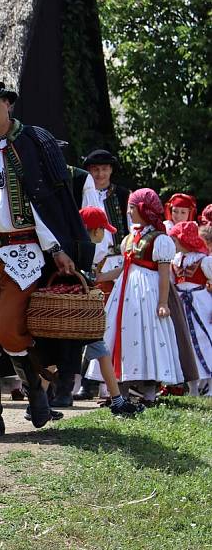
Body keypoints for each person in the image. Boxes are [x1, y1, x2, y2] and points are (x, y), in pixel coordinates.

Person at [0, 80, 94, 442]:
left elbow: (44, 204)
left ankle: (37, 394)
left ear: (8, 106)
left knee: (9, 328)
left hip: (25, 250)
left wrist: (57, 249)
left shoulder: (35, 143)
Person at [86, 188, 184, 404]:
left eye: (132, 207)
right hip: (125, 292)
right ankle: (121, 388)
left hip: (146, 295)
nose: (128, 211)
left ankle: (149, 390)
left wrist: (162, 302)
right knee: (124, 334)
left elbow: (164, 273)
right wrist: (101, 276)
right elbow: (124, 268)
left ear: (143, 209)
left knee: (147, 336)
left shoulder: (159, 240)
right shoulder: (130, 238)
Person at [78, 207, 145, 415]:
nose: (105, 234)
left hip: (76, 315)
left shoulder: (79, 246)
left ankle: (116, 400)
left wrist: (124, 268)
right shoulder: (86, 249)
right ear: (95, 230)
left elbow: (96, 278)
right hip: (82, 315)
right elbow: (89, 279)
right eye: (103, 230)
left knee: (101, 352)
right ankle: (39, 401)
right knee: (96, 353)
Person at [76, 148, 131, 401]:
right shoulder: (81, 193)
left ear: (111, 170)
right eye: (95, 169)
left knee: (107, 323)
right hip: (88, 261)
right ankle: (86, 380)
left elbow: (130, 230)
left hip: (115, 261)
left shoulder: (122, 195)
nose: (100, 173)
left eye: (104, 169)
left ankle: (109, 381)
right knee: (87, 322)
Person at [169, 221, 212, 396]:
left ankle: (208, 384)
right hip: (181, 304)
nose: (173, 243)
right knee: (186, 343)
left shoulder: (205, 261)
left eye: (175, 240)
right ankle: (193, 386)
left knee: (205, 340)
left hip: (201, 305)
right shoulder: (175, 260)